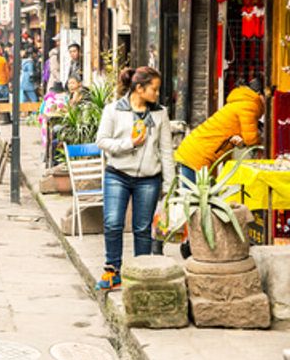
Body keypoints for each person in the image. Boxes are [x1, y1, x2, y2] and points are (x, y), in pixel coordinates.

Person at [95, 67, 174, 291]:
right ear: (139, 88)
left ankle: (141, 273)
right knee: (112, 223)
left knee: (142, 228)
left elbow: (166, 152)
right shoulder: (113, 110)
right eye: (154, 89)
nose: (157, 94)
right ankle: (113, 271)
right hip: (117, 174)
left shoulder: (160, 114)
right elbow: (101, 140)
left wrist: (169, 187)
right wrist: (128, 144)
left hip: (149, 178)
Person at [175, 78, 264, 182]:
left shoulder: (241, 102)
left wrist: (241, 142)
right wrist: (263, 141)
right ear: (259, 94)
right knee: (195, 196)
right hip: (197, 156)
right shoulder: (249, 105)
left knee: (198, 195)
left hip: (194, 151)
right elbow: (251, 139)